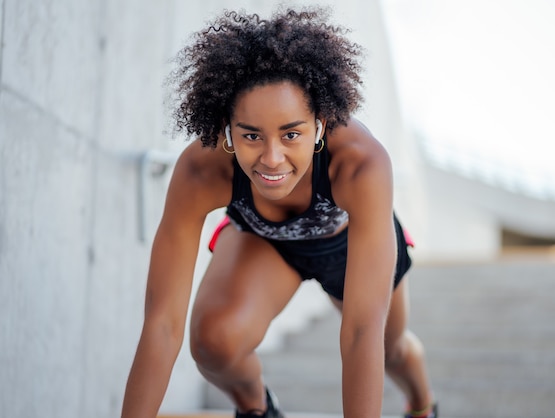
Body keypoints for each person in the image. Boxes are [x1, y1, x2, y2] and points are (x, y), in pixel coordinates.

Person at [121, 7, 436, 418]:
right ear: (227, 128)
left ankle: (422, 403)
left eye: (291, 133)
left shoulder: (361, 164)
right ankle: (257, 408)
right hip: (263, 240)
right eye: (251, 135)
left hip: (345, 244)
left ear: (320, 125)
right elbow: (162, 325)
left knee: (390, 348)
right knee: (213, 343)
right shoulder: (202, 170)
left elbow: (361, 332)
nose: (272, 158)